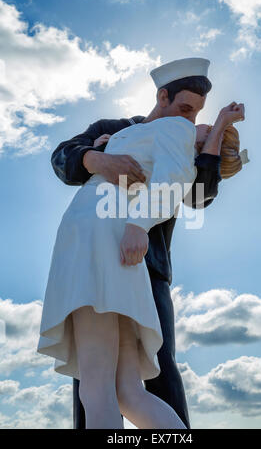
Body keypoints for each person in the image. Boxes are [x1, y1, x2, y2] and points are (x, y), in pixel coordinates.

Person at [46, 57, 245, 429]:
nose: (188, 119)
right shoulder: (115, 129)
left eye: (196, 115)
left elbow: (199, 194)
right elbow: (62, 157)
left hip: (144, 263)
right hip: (102, 250)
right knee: (104, 381)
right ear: (162, 96)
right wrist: (96, 159)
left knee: (150, 372)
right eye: (185, 108)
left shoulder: (179, 137)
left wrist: (214, 135)